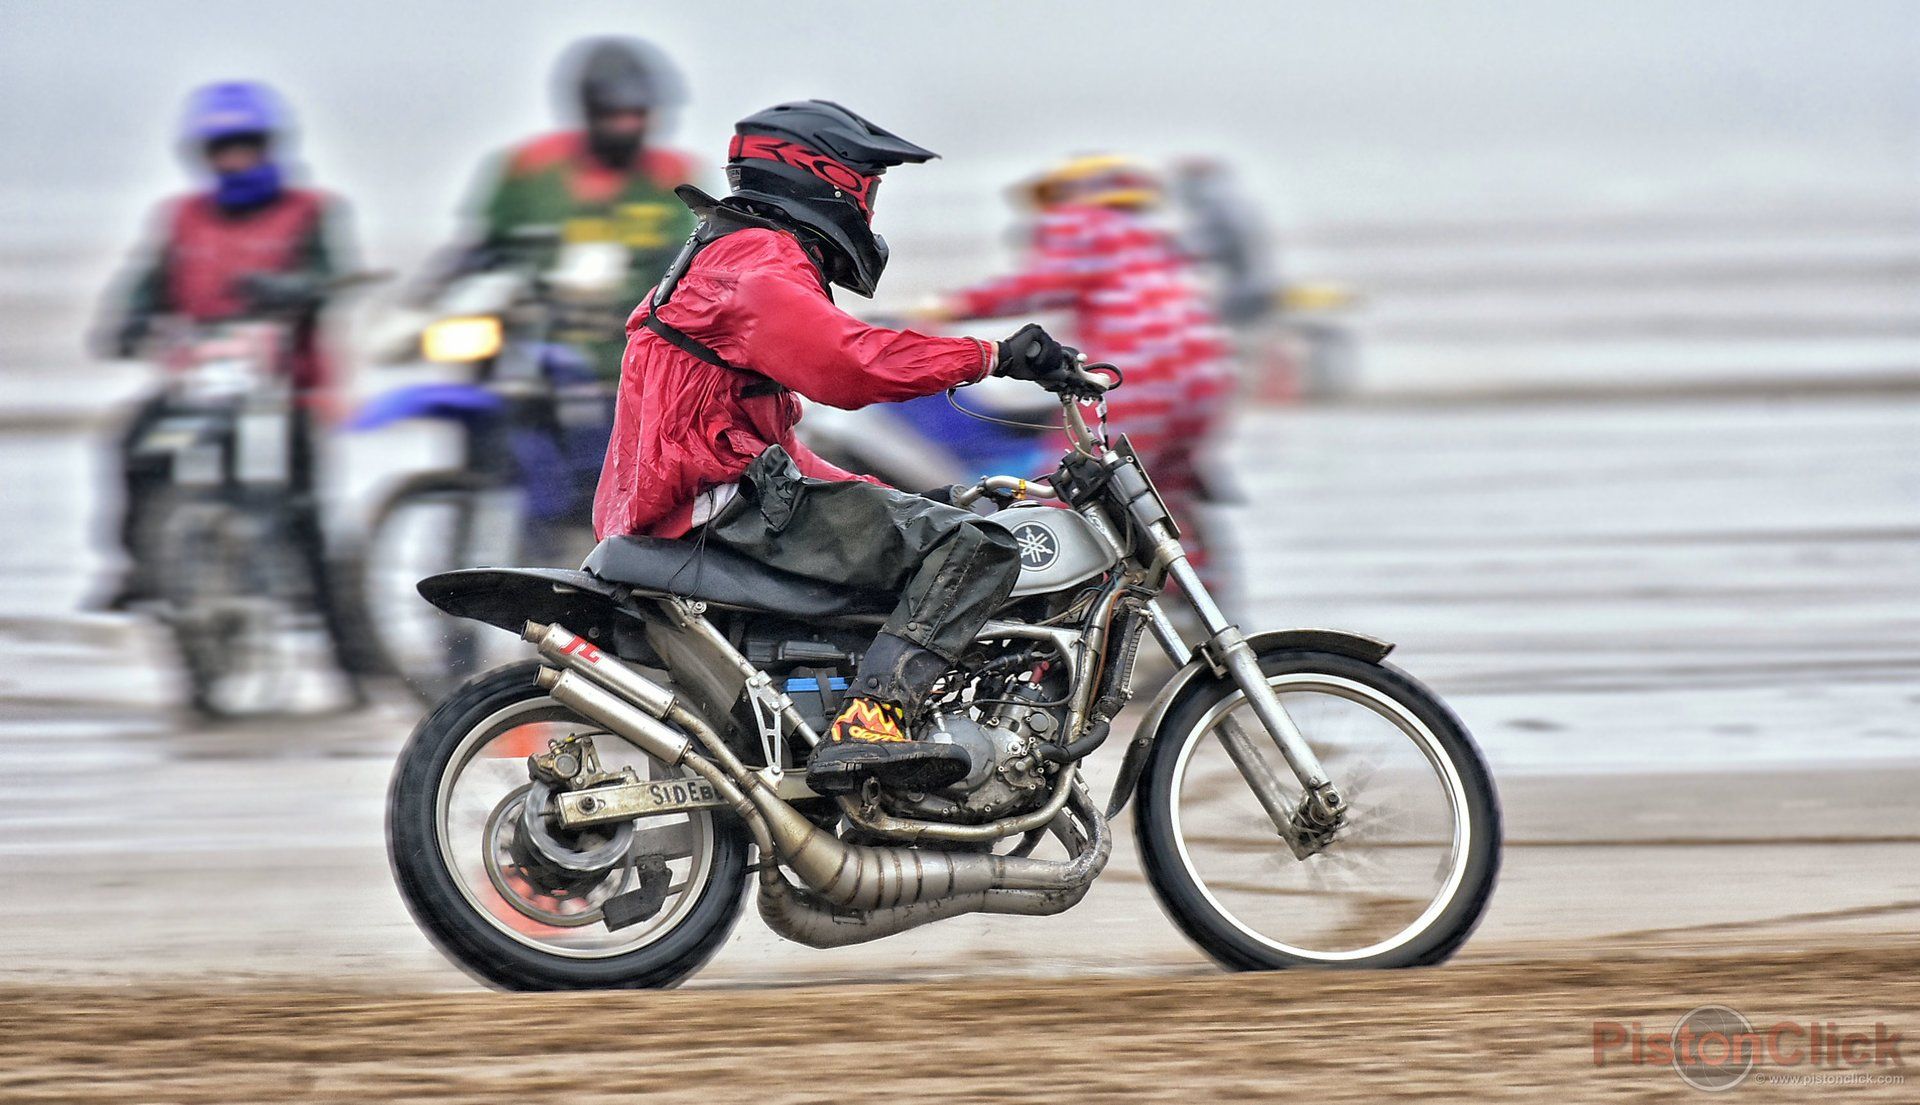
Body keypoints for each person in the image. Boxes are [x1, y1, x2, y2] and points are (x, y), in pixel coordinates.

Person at [592, 101, 1091, 794]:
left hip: (702, 502)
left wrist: (917, 500)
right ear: (824, 179)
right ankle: (874, 722)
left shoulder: (727, 254)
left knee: (943, 529)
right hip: (720, 508)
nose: (871, 211)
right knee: (981, 546)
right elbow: (850, 366)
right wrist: (993, 354)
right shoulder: (758, 261)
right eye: (869, 190)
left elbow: (780, 453)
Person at [96, 81, 353, 623]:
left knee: (303, 519)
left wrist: (298, 288)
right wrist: (127, 322)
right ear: (206, 155)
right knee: (137, 447)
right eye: (223, 148)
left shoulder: (311, 211)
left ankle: (350, 657)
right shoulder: (181, 217)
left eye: (246, 144)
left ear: (267, 145)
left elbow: (332, 277)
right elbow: (148, 282)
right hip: (199, 387)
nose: (235, 159)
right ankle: (140, 566)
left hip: (282, 394)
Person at [922, 154, 1236, 591]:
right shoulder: (1151, 239)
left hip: (1139, 380)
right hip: (1203, 384)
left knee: (1073, 488)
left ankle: (1070, 603)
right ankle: (1205, 607)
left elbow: (1039, 283)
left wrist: (950, 308)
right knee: (1164, 495)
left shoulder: (1083, 221)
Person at [451, 37, 701, 378]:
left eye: (636, 115)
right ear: (590, 111)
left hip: (632, 351)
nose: (626, 126)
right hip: (532, 346)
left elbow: (695, 261)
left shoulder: (672, 178)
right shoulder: (528, 168)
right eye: (614, 115)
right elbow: (481, 248)